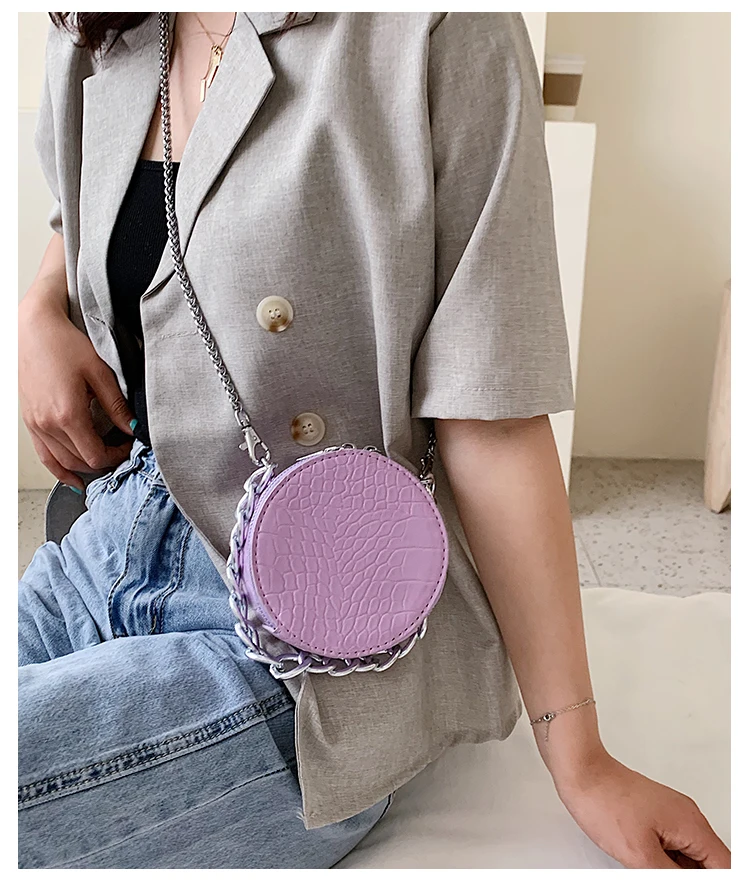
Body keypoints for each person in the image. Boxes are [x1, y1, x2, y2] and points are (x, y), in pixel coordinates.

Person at [18, 11, 730, 870]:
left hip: (308, 638)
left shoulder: (439, 31)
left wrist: (580, 757)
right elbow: (94, 216)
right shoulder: (102, 21)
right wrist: (41, 308)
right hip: (108, 542)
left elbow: (494, 418)